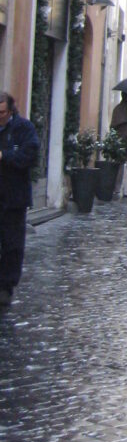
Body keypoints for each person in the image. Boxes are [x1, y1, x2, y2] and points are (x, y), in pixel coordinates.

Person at [0, 91, 39, 308]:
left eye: (3, 113)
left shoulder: (24, 128)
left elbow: (30, 155)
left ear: (10, 110)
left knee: (12, 244)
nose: (0, 117)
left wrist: (5, 156)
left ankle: (6, 286)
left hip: (14, 197)